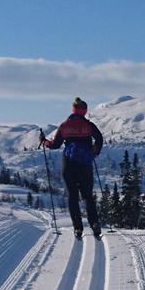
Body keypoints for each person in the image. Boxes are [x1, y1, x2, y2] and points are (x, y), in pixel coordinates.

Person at [40, 97, 104, 239]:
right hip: (85, 164)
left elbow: (55, 145)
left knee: (73, 196)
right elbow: (99, 138)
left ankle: (78, 228)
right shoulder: (88, 125)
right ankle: (94, 224)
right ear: (84, 111)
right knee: (88, 196)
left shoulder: (65, 125)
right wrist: (94, 152)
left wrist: (44, 141)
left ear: (73, 110)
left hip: (69, 163)